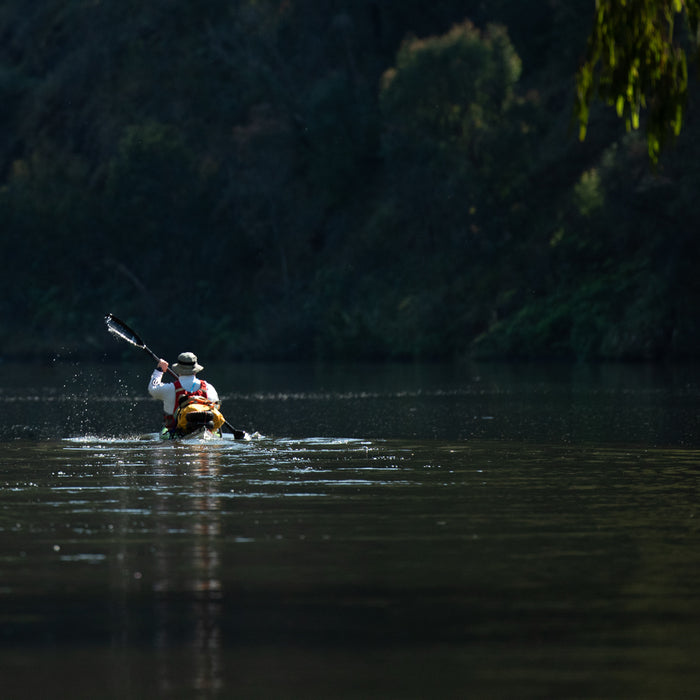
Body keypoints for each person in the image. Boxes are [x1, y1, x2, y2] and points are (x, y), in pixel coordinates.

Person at [148, 352, 222, 437]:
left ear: (178, 369)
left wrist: (159, 370)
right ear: (196, 369)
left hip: (177, 437)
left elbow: (152, 388)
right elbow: (216, 408)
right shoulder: (209, 388)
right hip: (205, 436)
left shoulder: (170, 389)